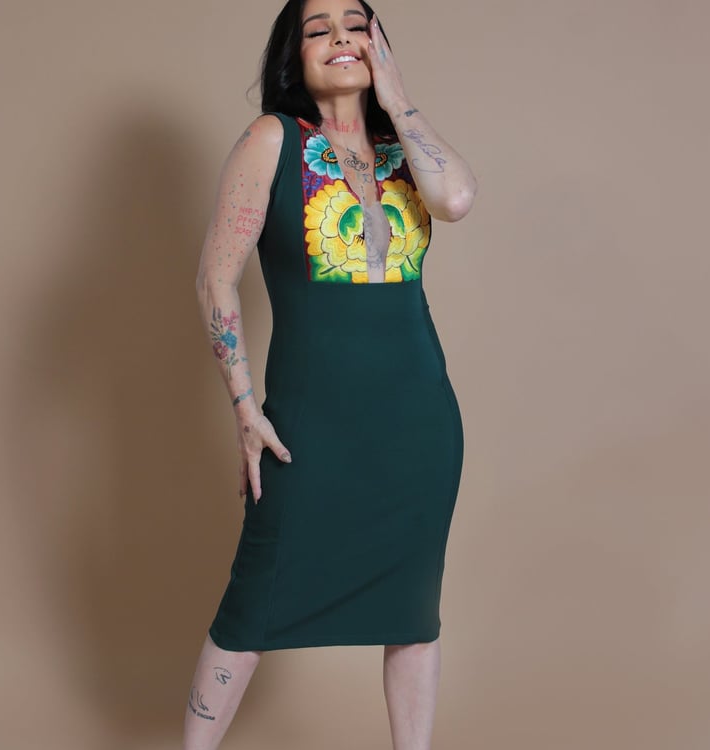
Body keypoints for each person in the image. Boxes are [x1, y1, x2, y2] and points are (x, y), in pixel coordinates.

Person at [187, 0, 477, 747]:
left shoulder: (404, 148)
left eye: (357, 26)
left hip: (418, 423)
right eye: (319, 30)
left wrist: (397, 96)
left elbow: (455, 199)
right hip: (310, 425)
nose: (341, 38)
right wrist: (245, 409)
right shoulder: (272, 140)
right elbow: (216, 279)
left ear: (379, 46)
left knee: (413, 614)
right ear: (295, 55)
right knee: (250, 612)